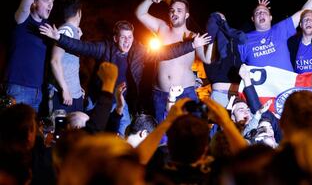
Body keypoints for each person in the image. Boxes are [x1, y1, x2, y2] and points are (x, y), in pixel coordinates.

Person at [39, 20, 210, 136]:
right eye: (123, 37)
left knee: (123, 133)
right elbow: (82, 47)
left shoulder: (139, 51)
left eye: (130, 37)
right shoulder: (104, 48)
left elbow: (165, 52)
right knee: (94, 132)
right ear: (115, 38)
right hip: (99, 97)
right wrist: (59, 37)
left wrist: (192, 45)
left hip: (122, 101)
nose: (127, 41)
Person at [135, 0, 211, 123]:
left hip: (186, 92)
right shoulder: (161, 27)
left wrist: (211, 39)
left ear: (186, 15)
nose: (174, 13)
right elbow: (140, 13)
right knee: (162, 134)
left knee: (191, 131)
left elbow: (206, 59)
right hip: (160, 94)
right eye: (172, 10)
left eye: (179, 11)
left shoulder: (193, 36)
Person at [4, 0, 53, 112]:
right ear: (34, 2)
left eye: (52, 1)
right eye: (45, 0)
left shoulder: (47, 26)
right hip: (17, 88)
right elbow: (24, 8)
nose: (50, 4)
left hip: (37, 92)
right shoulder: (22, 20)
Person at [50, 0, 84, 113]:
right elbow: (55, 61)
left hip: (74, 94)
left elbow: (70, 61)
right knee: (60, 130)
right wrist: (65, 89)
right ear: (79, 13)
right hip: (63, 95)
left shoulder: (72, 31)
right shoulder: (65, 30)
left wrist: (77, 88)